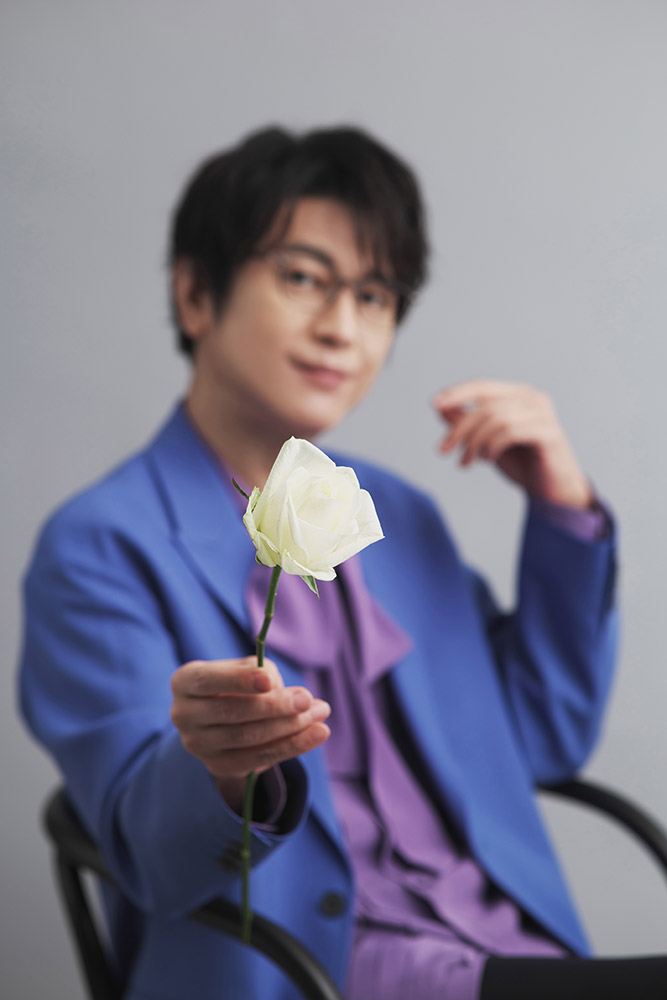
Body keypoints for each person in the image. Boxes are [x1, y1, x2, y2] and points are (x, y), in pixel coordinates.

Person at [18, 125, 663, 1000]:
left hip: (503, 946)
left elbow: (541, 743)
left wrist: (563, 514)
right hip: (305, 971)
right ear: (195, 295)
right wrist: (221, 770)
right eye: (301, 278)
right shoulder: (100, 546)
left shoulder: (395, 517)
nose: (341, 329)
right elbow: (150, 854)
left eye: (374, 295)